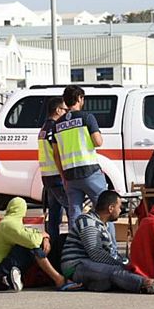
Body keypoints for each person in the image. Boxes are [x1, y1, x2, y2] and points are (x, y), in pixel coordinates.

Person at [60, 191, 154, 294]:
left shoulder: (102, 224)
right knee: (115, 272)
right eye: (119, 207)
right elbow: (95, 253)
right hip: (75, 266)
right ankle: (148, 284)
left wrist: (126, 263)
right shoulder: (88, 222)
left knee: (118, 273)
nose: (121, 210)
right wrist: (121, 265)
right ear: (110, 208)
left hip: (90, 263)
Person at [0, 197, 80, 291]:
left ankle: (57, 277)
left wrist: (45, 236)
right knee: (33, 247)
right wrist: (43, 237)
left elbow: (30, 232)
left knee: (31, 243)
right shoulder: (9, 224)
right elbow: (32, 241)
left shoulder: (7, 222)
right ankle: (59, 279)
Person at [52, 85, 108, 229]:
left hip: (70, 175)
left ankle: (75, 248)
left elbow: (56, 154)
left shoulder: (57, 125)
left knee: (74, 213)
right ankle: (109, 248)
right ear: (79, 98)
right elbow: (98, 142)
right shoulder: (87, 117)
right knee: (104, 209)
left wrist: (62, 175)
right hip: (90, 172)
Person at [37, 96, 70, 242]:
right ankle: (73, 245)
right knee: (71, 211)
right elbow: (58, 153)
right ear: (57, 110)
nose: (66, 113)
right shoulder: (55, 128)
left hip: (47, 177)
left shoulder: (44, 128)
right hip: (57, 176)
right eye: (64, 109)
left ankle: (54, 246)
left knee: (54, 216)